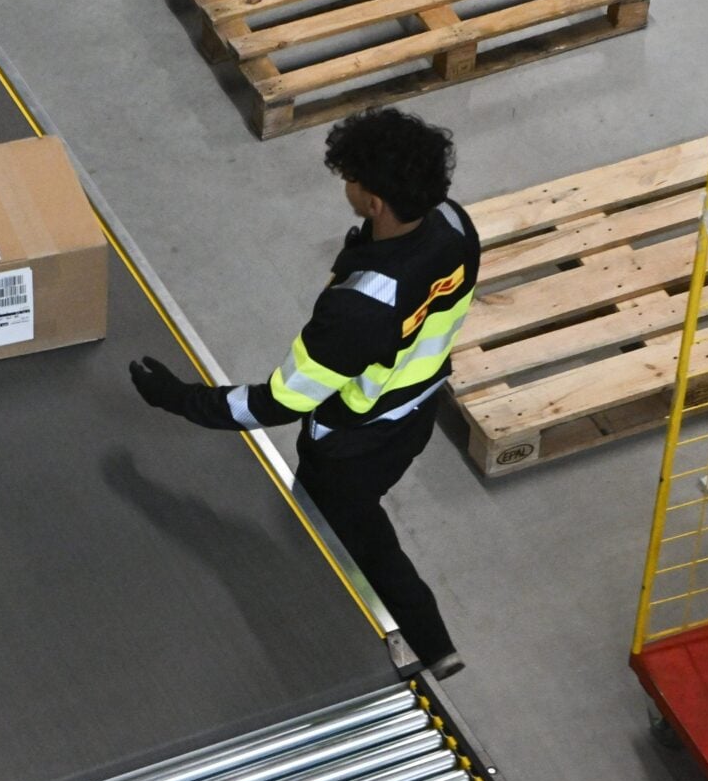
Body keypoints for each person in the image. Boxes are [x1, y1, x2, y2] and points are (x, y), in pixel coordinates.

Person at [127, 108, 474, 677]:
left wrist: (178, 398)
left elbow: (278, 403)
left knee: (360, 535)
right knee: (349, 517)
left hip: (351, 444)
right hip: (415, 409)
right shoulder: (456, 225)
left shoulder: (359, 308)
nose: (346, 185)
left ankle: (429, 643)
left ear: (373, 202)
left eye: (351, 178)